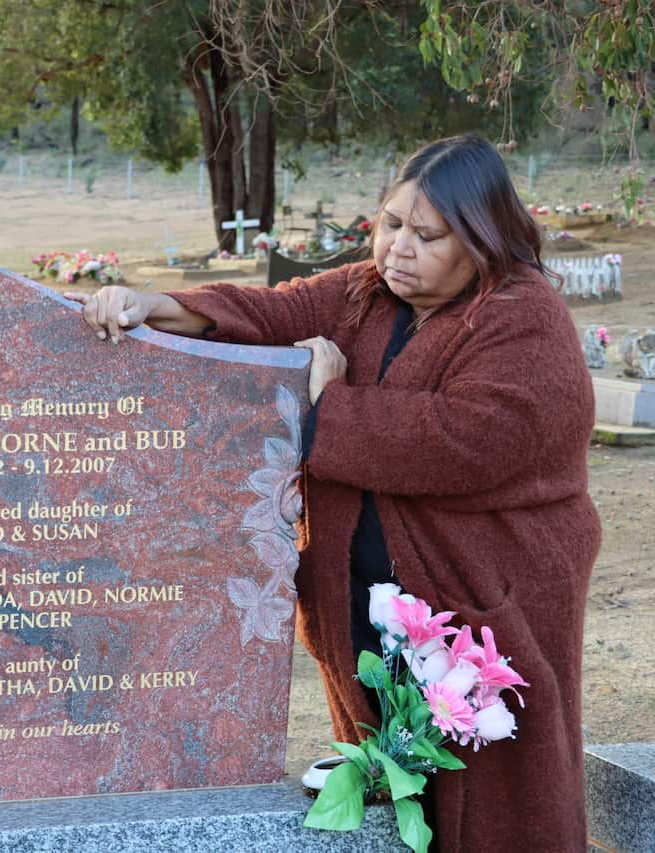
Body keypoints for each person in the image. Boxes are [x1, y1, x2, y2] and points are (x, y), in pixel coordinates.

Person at [67, 134, 600, 852]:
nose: (397, 249)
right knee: (398, 799)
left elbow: (473, 439)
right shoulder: (369, 294)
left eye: (427, 235)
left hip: (483, 606)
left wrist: (330, 403)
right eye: (390, 224)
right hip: (377, 612)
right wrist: (155, 305)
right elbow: (274, 312)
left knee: (496, 805)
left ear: (482, 238)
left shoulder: (524, 317)